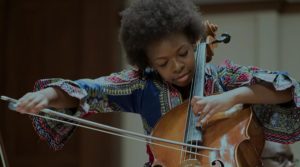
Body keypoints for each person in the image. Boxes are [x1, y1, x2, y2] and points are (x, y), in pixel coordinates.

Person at [13, 0, 300, 166]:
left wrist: (233, 98)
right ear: (149, 64)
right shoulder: (141, 85)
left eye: (183, 54)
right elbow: (90, 90)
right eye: (163, 63)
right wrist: (50, 96)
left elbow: (285, 87)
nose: (176, 66)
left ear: (194, 42)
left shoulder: (225, 78)